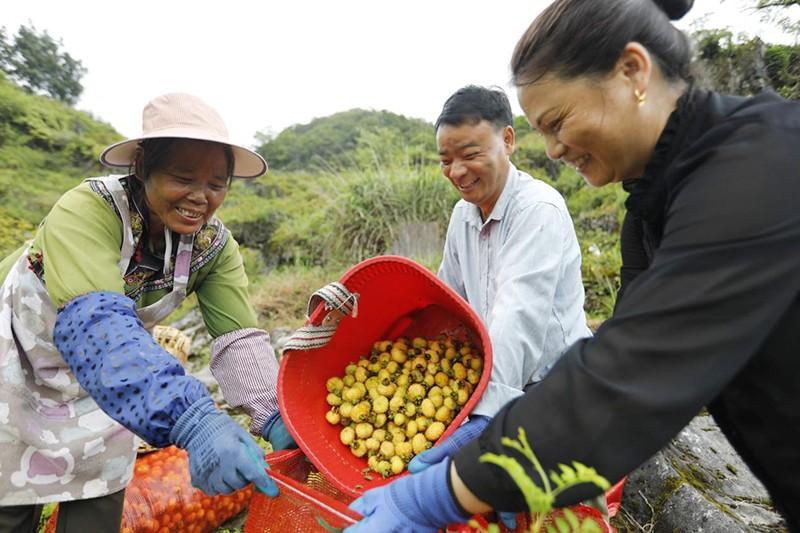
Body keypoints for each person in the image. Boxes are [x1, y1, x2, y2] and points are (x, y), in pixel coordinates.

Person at [344, 0, 800, 531]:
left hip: (537, 384)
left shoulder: (753, 169)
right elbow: (623, 360)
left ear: (633, 71)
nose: (554, 150)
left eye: (558, 122)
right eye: (543, 129)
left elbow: (626, 379)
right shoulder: (651, 212)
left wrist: (450, 485)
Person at [0, 93, 293, 532]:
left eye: (217, 184)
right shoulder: (88, 211)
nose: (201, 197)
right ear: (141, 167)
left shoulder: (214, 247)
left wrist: (274, 414)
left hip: (110, 385)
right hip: (18, 367)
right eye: (182, 177)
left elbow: (239, 339)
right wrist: (192, 419)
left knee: (98, 509)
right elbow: (97, 326)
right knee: (9, 506)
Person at [404, 86, 593, 527]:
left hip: (554, 390)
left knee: (551, 514)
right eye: (445, 160)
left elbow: (518, 314)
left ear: (507, 140)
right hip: (492, 382)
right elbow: (449, 305)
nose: (456, 171)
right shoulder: (462, 217)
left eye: (469, 154)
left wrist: (488, 418)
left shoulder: (538, 209)